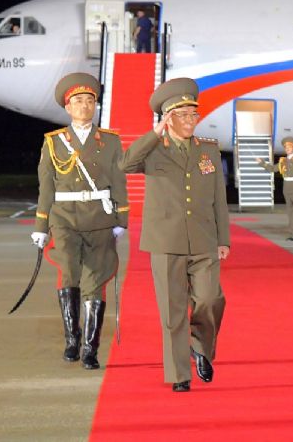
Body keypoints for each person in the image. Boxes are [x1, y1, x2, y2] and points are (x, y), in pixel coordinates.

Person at [120, 77, 230, 393]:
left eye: (193, 115)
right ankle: (180, 374)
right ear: (168, 118)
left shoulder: (207, 150)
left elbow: (218, 199)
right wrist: (154, 134)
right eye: (183, 115)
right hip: (166, 241)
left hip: (204, 239)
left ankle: (201, 348)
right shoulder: (154, 151)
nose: (191, 120)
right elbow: (125, 164)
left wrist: (223, 239)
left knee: (211, 299)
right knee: (173, 311)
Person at [32, 73, 130, 370]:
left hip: (99, 218)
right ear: (68, 107)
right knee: (69, 275)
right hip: (64, 218)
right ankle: (71, 339)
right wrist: (41, 226)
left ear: (95, 106)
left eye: (90, 101)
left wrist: (121, 218)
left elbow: (118, 181)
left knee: (94, 281)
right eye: (78, 101)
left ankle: (90, 347)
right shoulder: (53, 142)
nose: (85, 106)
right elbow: (46, 186)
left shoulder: (111, 141)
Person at [257, 137, 293, 241]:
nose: (287, 149)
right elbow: (272, 169)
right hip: (287, 186)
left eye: (289, 147)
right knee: (290, 211)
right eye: (286, 147)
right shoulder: (282, 161)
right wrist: (261, 163)